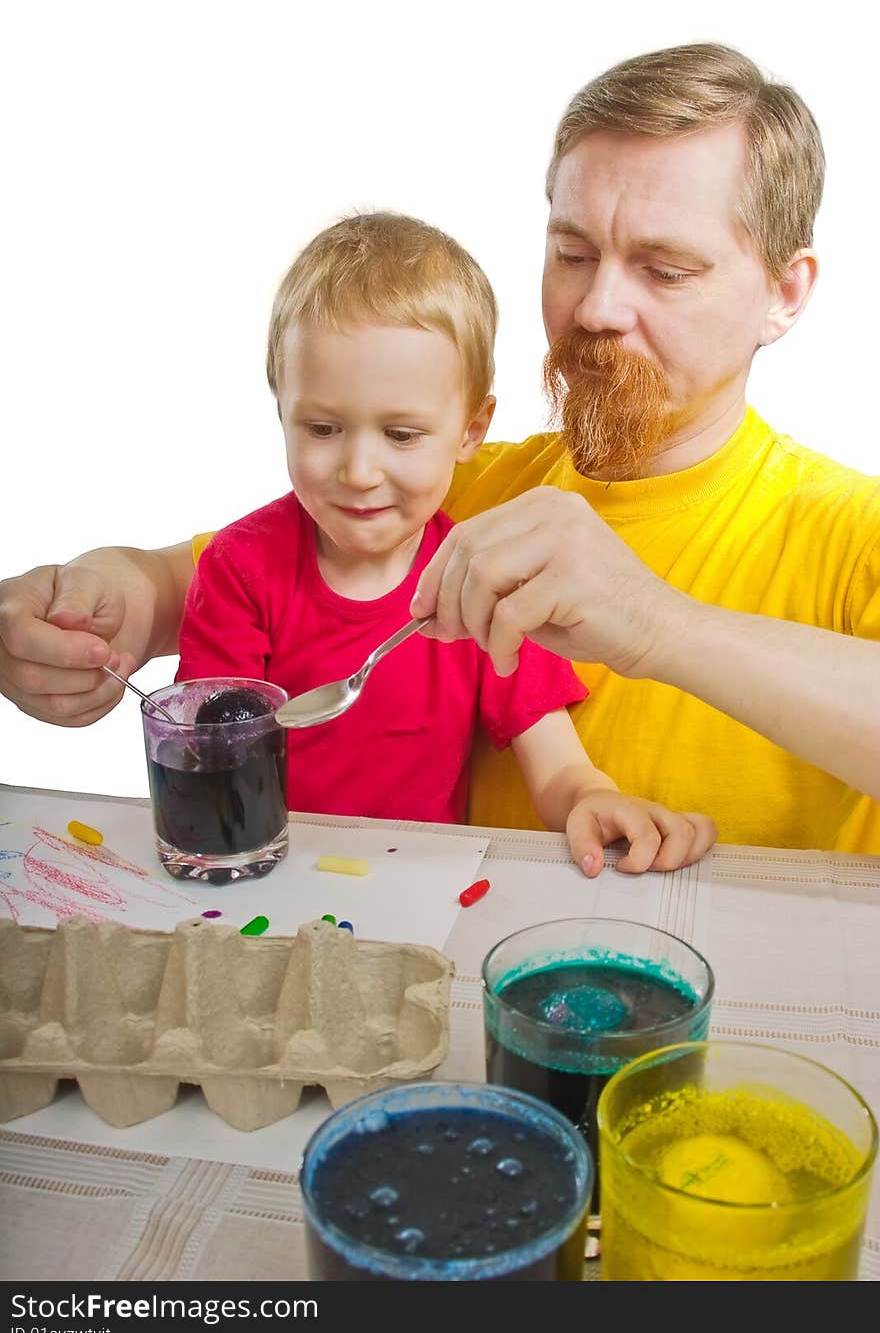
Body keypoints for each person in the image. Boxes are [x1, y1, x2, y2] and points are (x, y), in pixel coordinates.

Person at [2, 42, 878, 854]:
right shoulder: (451, 485)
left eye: (665, 269)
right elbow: (203, 585)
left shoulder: (850, 532)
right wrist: (94, 598)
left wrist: (655, 625)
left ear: (785, 293)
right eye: (573, 253)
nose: (597, 307)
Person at [173, 211, 714, 876]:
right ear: (281, 405)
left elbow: (557, 767)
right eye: (321, 428)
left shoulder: (480, 577)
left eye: (401, 435)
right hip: (261, 879)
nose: (359, 471)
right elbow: (208, 750)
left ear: (470, 430)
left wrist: (593, 800)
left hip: (419, 895)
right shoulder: (238, 570)